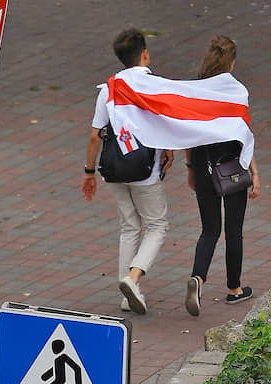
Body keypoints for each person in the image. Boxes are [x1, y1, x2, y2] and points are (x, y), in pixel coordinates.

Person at [81, 28, 173, 315]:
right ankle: (133, 279)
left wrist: (88, 172)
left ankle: (125, 293)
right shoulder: (155, 84)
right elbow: (165, 122)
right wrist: (170, 150)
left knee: (129, 226)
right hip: (145, 169)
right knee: (157, 225)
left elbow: (96, 135)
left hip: (113, 169)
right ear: (144, 53)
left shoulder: (108, 88)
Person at [185, 35, 260, 317]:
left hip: (203, 166)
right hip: (231, 168)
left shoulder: (195, 90)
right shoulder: (236, 92)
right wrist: (254, 171)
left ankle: (198, 278)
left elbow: (190, 135)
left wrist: (191, 168)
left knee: (209, 230)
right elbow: (242, 135)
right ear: (231, 61)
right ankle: (234, 289)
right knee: (234, 231)